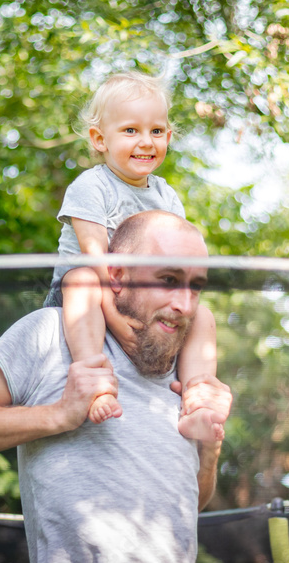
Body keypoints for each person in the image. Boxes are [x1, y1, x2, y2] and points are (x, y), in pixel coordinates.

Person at [0, 211, 232, 563]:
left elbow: (193, 501)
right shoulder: (53, 335)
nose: (185, 305)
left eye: (196, 286)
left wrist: (210, 447)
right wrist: (59, 414)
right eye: (168, 279)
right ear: (116, 275)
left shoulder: (190, 374)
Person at [44, 71, 221, 442]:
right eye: (130, 131)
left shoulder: (166, 196)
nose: (146, 142)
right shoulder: (91, 187)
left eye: (156, 132)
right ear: (99, 140)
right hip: (88, 291)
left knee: (202, 314)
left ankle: (197, 397)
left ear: (168, 137)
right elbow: (95, 257)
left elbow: (178, 258)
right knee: (81, 278)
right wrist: (114, 317)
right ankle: (94, 378)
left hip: (139, 295)